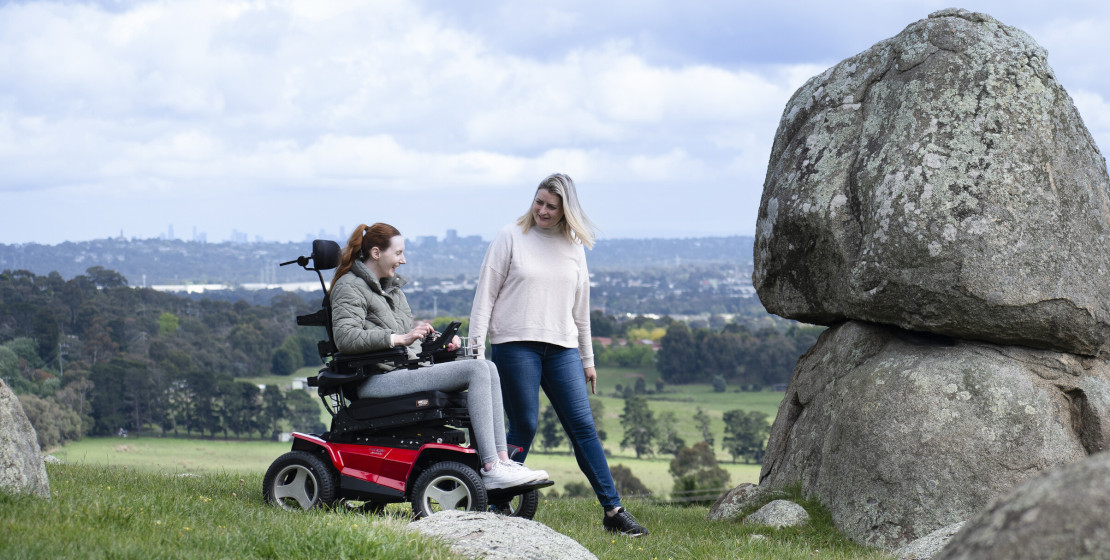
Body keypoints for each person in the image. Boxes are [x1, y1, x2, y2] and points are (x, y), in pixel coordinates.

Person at [469, 173, 649, 536]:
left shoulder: (574, 246)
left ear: (566, 210)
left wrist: (588, 358)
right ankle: (492, 498)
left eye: (552, 206)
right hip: (515, 343)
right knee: (526, 425)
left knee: (583, 427)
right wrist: (475, 350)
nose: (543, 211)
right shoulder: (510, 237)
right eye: (539, 202)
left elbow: (581, 308)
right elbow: (484, 295)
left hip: (563, 347)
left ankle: (613, 511)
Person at [329, 222, 547, 490]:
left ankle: (502, 460)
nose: (403, 260)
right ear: (376, 253)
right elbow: (346, 337)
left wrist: (439, 342)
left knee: (487, 367)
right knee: (477, 370)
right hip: (374, 379)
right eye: (398, 254)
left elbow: (408, 341)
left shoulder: (392, 290)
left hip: (401, 370)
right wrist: (399, 338)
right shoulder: (349, 286)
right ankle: (490, 467)